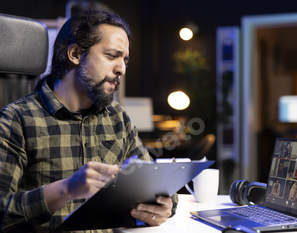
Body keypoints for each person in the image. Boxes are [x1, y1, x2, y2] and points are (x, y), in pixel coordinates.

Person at [0, 9, 176, 232]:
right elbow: (2, 212)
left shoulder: (117, 117)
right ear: (75, 54)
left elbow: (153, 184)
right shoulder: (16, 119)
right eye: (112, 56)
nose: (121, 68)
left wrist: (164, 206)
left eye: (125, 60)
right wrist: (67, 189)